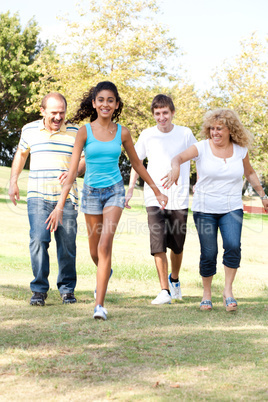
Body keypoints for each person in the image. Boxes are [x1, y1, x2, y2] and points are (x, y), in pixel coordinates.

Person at [46, 81, 168, 320]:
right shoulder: (84, 131)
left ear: (116, 105)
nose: (105, 104)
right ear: (94, 103)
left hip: (114, 192)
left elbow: (137, 164)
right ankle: (105, 270)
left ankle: (99, 306)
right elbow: (71, 172)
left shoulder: (122, 132)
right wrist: (60, 205)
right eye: (100, 100)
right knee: (95, 251)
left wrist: (156, 189)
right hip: (91, 193)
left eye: (110, 100)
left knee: (104, 246)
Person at [162, 108, 268, 311]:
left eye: (220, 129)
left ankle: (228, 291)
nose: (215, 133)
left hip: (232, 208)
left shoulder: (240, 150)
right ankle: (207, 293)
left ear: (231, 130)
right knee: (209, 252)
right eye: (212, 129)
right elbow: (177, 158)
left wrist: (262, 195)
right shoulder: (201, 147)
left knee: (233, 246)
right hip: (205, 209)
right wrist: (175, 168)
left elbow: (250, 172)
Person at [8, 92, 85, 306]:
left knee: (67, 245)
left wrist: (74, 170)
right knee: (38, 240)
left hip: (67, 197)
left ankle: (67, 290)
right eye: (53, 113)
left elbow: (84, 161)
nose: (58, 117)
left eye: (62, 113)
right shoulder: (30, 130)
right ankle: (39, 290)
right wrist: (13, 181)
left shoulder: (75, 131)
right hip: (38, 196)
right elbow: (21, 155)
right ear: (42, 111)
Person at [125, 94, 197, 304]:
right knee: (157, 243)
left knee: (177, 245)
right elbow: (137, 163)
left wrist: (199, 183)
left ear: (172, 113)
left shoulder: (185, 134)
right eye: (157, 113)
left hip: (179, 197)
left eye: (165, 112)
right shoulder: (147, 135)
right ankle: (164, 291)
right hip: (153, 197)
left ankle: (174, 279)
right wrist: (130, 188)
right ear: (154, 115)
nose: (162, 117)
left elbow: (197, 156)